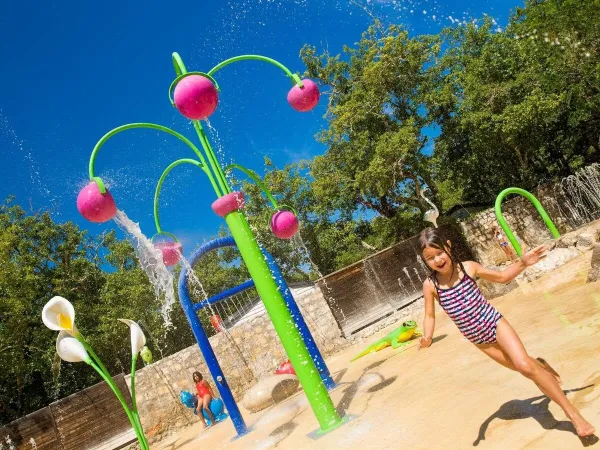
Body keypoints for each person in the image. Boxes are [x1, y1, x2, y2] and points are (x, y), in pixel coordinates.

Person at [417, 227, 595, 438]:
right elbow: (429, 315)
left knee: (523, 365)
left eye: (439, 253)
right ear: (424, 261)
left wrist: (523, 263)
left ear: (448, 246)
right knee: (524, 369)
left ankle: (573, 414)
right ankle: (541, 366)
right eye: (430, 258)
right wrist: (427, 337)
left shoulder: (468, 268)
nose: (437, 260)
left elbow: (501, 277)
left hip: (495, 324)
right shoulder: (430, 285)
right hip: (479, 340)